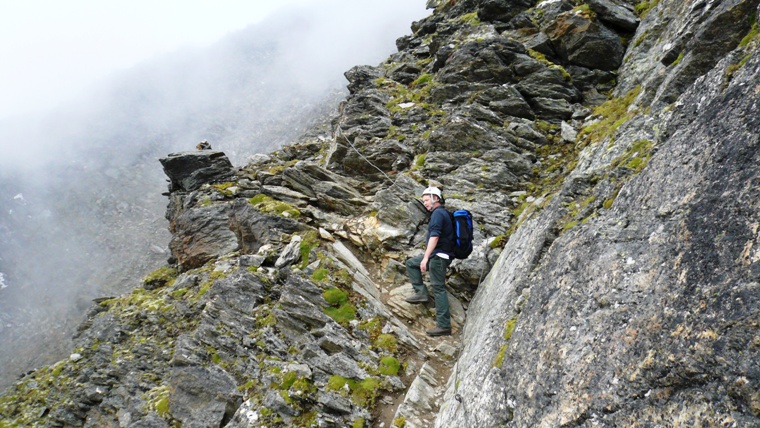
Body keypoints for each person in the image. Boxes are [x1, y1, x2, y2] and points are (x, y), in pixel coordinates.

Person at [405, 186, 454, 337]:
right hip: (437, 255)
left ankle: (444, 325)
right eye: (424, 200)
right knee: (412, 263)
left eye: (427, 200)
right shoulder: (442, 213)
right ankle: (421, 293)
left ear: (435, 198)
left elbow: (435, 237)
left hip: (439, 257)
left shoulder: (438, 214)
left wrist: (426, 257)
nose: (425, 203)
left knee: (438, 288)